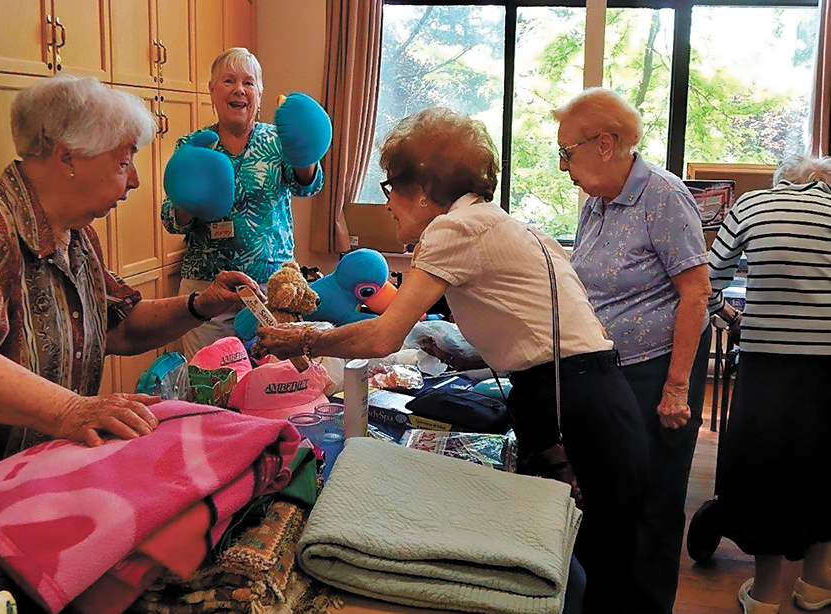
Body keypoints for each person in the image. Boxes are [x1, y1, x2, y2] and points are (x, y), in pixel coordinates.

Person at [255, 107, 650, 614]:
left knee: (587, 576)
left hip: (572, 408)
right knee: (593, 568)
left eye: (389, 186)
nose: (388, 203)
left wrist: (304, 340)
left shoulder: (452, 231)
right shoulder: (503, 225)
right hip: (592, 398)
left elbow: (382, 336)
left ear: (421, 188)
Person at [0, 73, 260, 473]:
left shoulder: (78, 236)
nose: (136, 180)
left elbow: (118, 326)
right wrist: (70, 410)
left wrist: (201, 305)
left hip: (43, 477)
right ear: (68, 156)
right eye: (124, 161)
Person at [552, 87, 712, 614]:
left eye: (566, 153)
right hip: (608, 372)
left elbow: (696, 292)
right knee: (607, 497)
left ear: (604, 143)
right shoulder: (597, 204)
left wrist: (677, 388)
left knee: (653, 506)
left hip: (655, 374)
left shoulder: (661, 196)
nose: (563, 167)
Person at [707, 155, 831, 614]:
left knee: (764, 469)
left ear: (783, 182)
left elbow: (710, 279)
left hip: (767, 365)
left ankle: (763, 594)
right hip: (828, 367)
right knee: (822, 466)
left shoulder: (753, 205)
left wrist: (726, 313)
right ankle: (816, 584)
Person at [161, 47, 325, 357]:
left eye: (248, 83)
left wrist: (306, 154)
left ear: (259, 93)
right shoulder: (193, 145)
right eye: (228, 81)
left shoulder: (278, 140)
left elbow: (307, 187)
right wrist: (188, 200)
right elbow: (171, 219)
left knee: (274, 383)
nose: (239, 90)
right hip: (207, 291)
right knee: (213, 384)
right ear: (211, 90)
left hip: (273, 289)